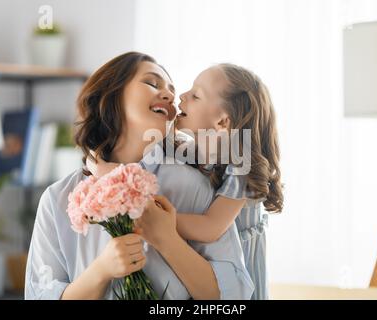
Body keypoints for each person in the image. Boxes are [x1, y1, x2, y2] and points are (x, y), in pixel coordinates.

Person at [24, 52, 254, 300]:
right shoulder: (58, 199)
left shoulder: (193, 186)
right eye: (152, 83)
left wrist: (168, 240)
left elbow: (235, 297)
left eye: (171, 91)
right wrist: (100, 272)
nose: (170, 96)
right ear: (111, 94)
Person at [89, 63, 283, 299]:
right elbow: (146, 160)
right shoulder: (190, 148)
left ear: (222, 122)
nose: (180, 96)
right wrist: (104, 168)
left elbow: (211, 228)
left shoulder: (241, 168)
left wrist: (155, 219)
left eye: (195, 95)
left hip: (237, 267)